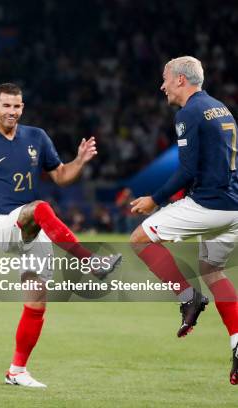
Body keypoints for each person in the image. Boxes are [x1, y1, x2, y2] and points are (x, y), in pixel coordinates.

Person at [0, 83, 121, 388]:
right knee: (41, 206)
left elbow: (61, 177)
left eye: (16, 106)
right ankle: (91, 262)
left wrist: (79, 161)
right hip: (4, 225)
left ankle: (16, 370)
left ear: (22, 107)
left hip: (33, 227)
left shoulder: (37, 137)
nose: (12, 112)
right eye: (6, 106)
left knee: (37, 302)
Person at [130, 56, 238, 385]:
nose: (161, 86)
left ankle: (188, 296)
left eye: (165, 79)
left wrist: (155, 199)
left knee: (139, 240)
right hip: (234, 209)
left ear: (180, 80)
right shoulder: (221, 108)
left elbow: (187, 169)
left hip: (209, 205)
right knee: (212, 270)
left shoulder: (187, 113)